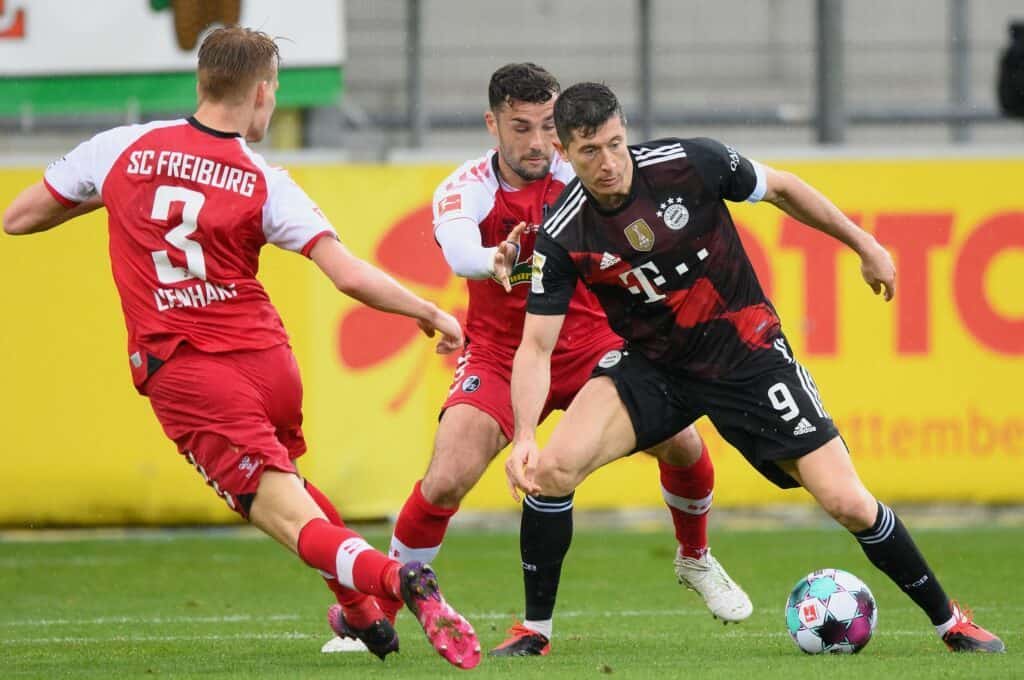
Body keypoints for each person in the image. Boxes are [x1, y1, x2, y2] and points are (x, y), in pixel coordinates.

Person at [2, 26, 481, 670]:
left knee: (287, 517)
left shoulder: (120, 148)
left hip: (190, 370)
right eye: (275, 92)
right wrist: (427, 310)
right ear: (260, 94)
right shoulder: (265, 180)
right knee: (292, 487)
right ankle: (361, 613)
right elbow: (346, 273)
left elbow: (20, 216)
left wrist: (114, 198)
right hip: (267, 359)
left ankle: (399, 583)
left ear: (202, 84)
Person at [506, 81, 1005, 654]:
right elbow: (535, 348)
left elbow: (785, 189)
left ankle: (950, 622)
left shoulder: (690, 163)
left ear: (627, 134)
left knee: (847, 501)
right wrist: (523, 435)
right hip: (656, 367)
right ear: (565, 153)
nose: (608, 162)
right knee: (549, 470)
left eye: (616, 144)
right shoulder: (563, 233)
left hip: (747, 356)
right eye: (590, 151)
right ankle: (534, 634)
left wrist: (866, 245)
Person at [324, 63, 751, 659]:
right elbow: (455, 245)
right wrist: (489, 259)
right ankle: (380, 618)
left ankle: (696, 558)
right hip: (500, 353)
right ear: (491, 123)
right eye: (519, 127)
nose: (536, 142)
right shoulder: (468, 183)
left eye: (548, 126)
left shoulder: (581, 171)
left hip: (593, 341)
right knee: (446, 478)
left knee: (682, 444)